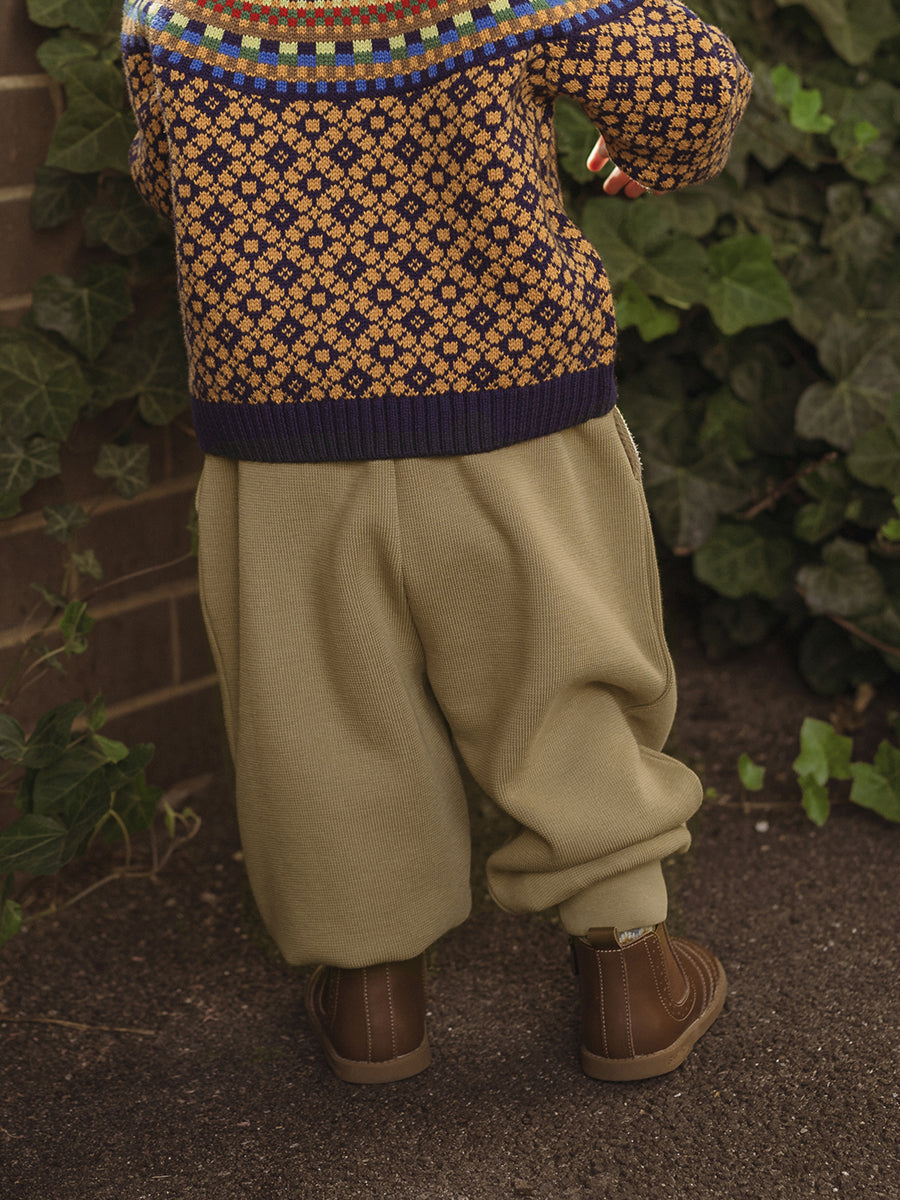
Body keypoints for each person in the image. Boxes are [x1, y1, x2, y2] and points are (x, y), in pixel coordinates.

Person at [122, 0, 751, 1083]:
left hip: (282, 426)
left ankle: (374, 996)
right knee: (561, 673)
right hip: (509, 402)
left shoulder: (167, 10)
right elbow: (691, 81)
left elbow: (162, 175)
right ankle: (633, 979)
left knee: (320, 709)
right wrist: (651, 157)